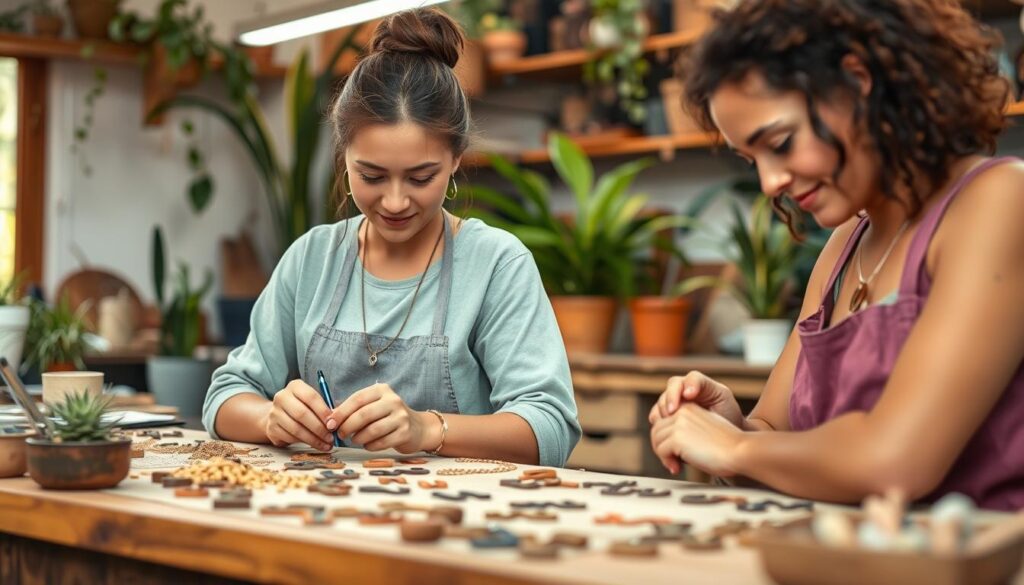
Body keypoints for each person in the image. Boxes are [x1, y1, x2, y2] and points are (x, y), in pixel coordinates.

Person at [649, 0, 1024, 510]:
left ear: (857, 81)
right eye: (751, 158)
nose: (769, 182)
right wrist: (730, 425)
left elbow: (897, 463)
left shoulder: (999, 201)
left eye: (781, 142)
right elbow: (774, 438)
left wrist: (735, 447)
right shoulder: (846, 243)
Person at [203, 8, 580, 467]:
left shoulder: (495, 264)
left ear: (456, 159)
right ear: (344, 157)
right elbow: (225, 396)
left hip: (458, 520)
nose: (396, 201)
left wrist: (427, 428)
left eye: (421, 177)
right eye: (372, 176)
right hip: (321, 513)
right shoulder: (312, 259)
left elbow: (551, 427)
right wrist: (269, 419)